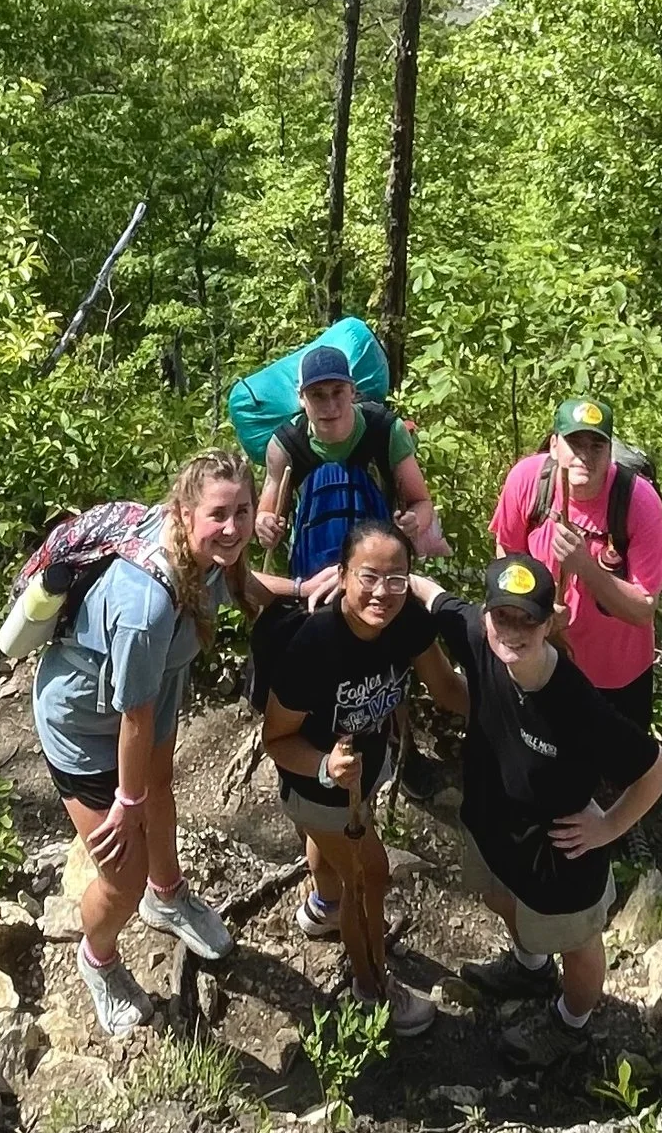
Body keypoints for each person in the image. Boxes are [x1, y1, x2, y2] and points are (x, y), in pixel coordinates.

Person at [31, 449, 277, 1036]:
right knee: (122, 875)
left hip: (154, 688)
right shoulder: (147, 603)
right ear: (185, 513)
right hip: (85, 727)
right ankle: (99, 960)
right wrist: (127, 801)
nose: (235, 527)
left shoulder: (214, 553)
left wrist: (305, 593)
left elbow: (242, 582)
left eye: (244, 511)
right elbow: (132, 720)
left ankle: (167, 898)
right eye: (220, 514)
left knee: (161, 789)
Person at [431, 552, 662, 1067]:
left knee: (579, 947)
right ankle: (530, 965)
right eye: (503, 617)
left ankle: (572, 1023)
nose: (513, 632)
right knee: (501, 899)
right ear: (488, 613)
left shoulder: (576, 704)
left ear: (552, 621)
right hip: (492, 831)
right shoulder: (479, 635)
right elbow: (428, 595)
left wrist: (607, 827)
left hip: (560, 860)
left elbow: (658, 770)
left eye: (529, 620)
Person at [257, 517, 467, 1036]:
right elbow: (276, 739)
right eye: (368, 576)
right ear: (344, 576)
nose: (382, 592)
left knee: (338, 862)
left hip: (364, 774)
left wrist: (512, 700)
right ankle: (372, 988)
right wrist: (325, 767)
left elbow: (446, 688)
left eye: (396, 578)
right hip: (316, 785)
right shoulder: (314, 645)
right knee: (371, 875)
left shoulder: (409, 622)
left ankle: (324, 907)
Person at [490, 397, 662, 726]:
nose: (584, 456)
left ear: (610, 451)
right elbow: (507, 556)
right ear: (555, 445)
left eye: (596, 446)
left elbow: (643, 609)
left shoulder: (639, 502)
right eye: (574, 443)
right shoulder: (527, 481)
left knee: (620, 771)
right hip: (544, 662)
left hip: (617, 674)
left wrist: (585, 567)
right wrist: (538, 614)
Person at [257, 342, 445, 590]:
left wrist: (413, 522)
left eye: (338, 391)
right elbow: (266, 514)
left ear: (353, 391)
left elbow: (421, 502)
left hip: (380, 574)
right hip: (314, 575)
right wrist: (265, 526)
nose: (330, 406)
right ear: (301, 398)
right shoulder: (286, 444)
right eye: (318, 395)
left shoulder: (385, 431)